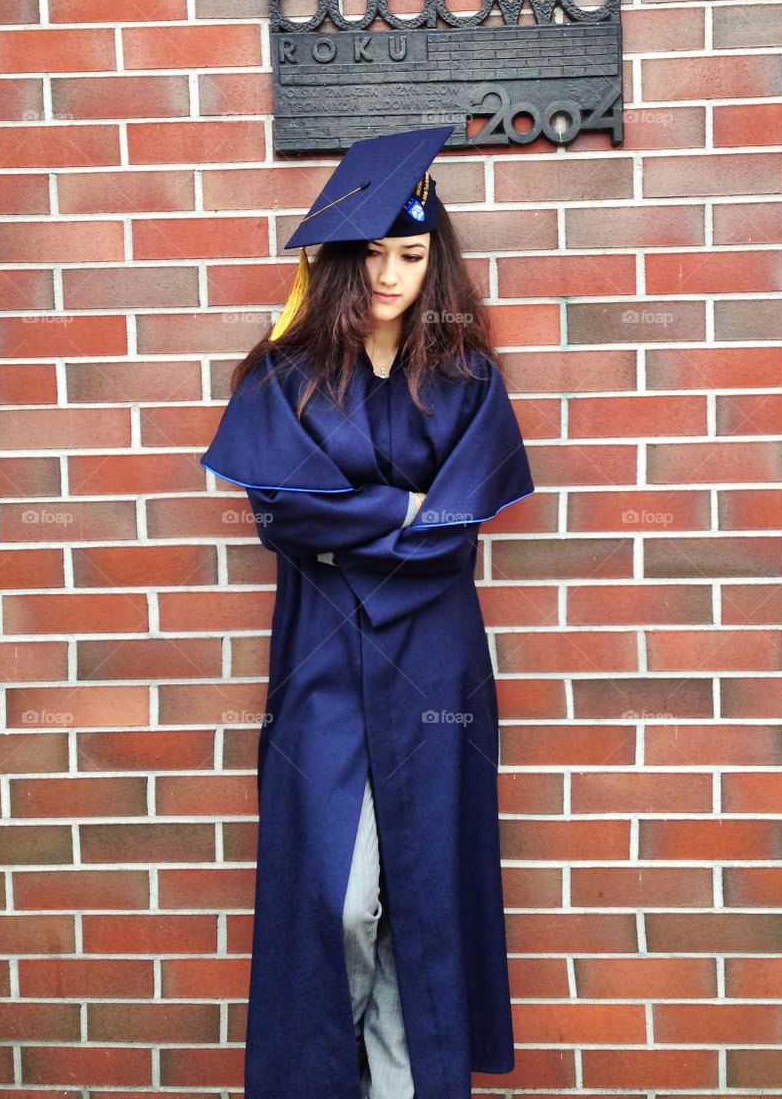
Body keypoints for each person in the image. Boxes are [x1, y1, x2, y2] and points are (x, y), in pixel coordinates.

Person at [200, 125, 535, 1099]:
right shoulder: (284, 372)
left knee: (421, 894)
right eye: (375, 250)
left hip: (436, 662)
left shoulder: (464, 374)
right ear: (342, 255)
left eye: (412, 252)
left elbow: (459, 525)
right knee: (337, 900)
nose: (391, 272)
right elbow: (281, 511)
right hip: (321, 661)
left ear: (436, 259)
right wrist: (403, 509)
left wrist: (352, 526)